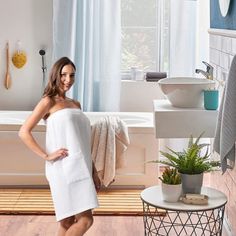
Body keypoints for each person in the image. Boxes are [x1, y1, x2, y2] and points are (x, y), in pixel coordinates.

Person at [19, 57, 100, 236]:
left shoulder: (76, 104)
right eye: (64, 75)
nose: (68, 80)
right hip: (63, 168)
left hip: (82, 166)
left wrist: (93, 171)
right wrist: (46, 156)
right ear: (56, 75)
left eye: (72, 75)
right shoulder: (48, 101)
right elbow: (24, 131)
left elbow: (82, 141)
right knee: (86, 220)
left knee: (67, 221)